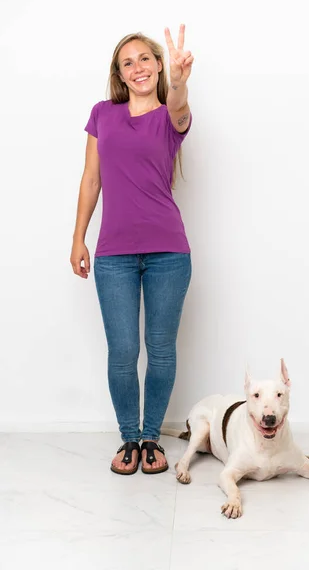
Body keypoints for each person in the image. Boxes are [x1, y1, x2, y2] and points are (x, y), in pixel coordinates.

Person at [70, 25, 194, 475]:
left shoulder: (169, 116)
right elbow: (91, 179)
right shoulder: (102, 114)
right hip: (113, 255)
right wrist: (78, 236)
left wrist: (179, 80)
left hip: (168, 253)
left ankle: (150, 438)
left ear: (158, 65)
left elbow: (178, 104)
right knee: (122, 351)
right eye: (128, 62)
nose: (138, 67)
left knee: (160, 349)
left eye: (145, 59)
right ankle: (128, 438)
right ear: (120, 75)